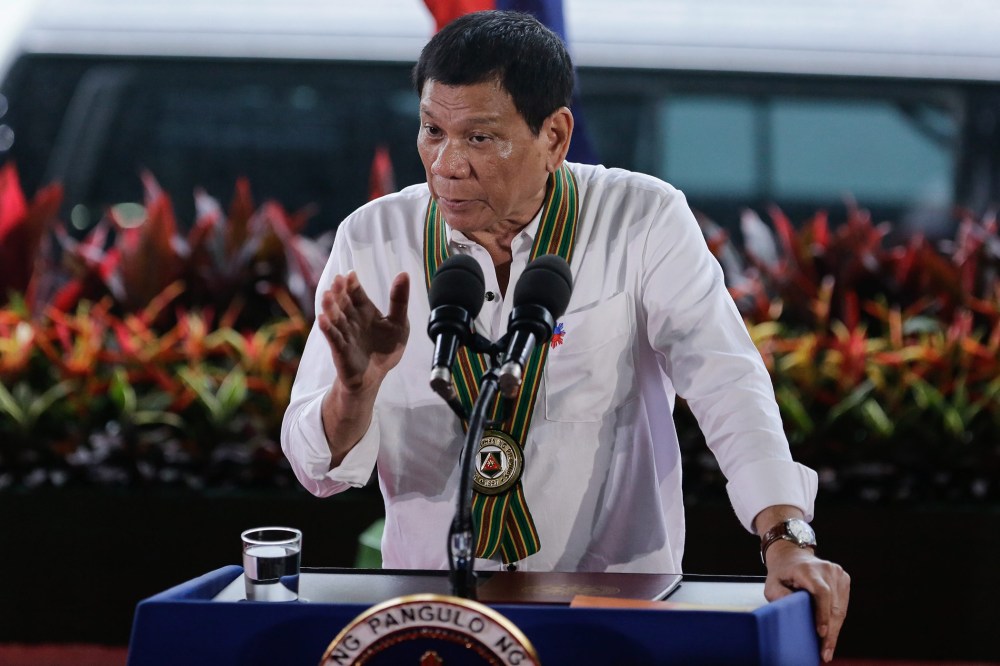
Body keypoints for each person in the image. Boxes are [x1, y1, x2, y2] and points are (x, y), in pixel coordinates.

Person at [281, 9, 850, 662]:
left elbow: (725, 377)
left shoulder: (641, 219)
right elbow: (315, 469)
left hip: (613, 605)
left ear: (554, 136)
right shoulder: (375, 238)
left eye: (479, 137)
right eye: (432, 130)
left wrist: (786, 538)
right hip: (435, 615)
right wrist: (356, 390)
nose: (446, 163)